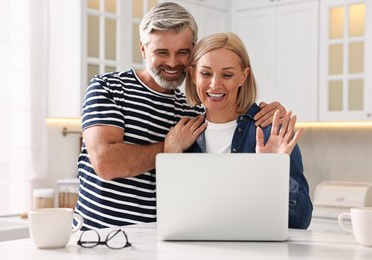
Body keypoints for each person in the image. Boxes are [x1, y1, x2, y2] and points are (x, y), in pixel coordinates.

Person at [75, 2, 286, 230]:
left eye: (182, 52)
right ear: (143, 49)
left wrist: (267, 114)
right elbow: (106, 163)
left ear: (193, 52)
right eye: (162, 52)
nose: (173, 63)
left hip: (162, 241)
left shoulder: (194, 108)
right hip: (99, 239)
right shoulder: (109, 88)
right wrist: (167, 148)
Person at [164, 32, 312, 229]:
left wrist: (273, 170)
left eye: (227, 74)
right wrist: (170, 155)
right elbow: (173, 216)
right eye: (205, 73)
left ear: (243, 76)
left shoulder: (270, 131)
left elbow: (300, 221)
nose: (215, 84)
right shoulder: (183, 138)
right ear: (192, 75)